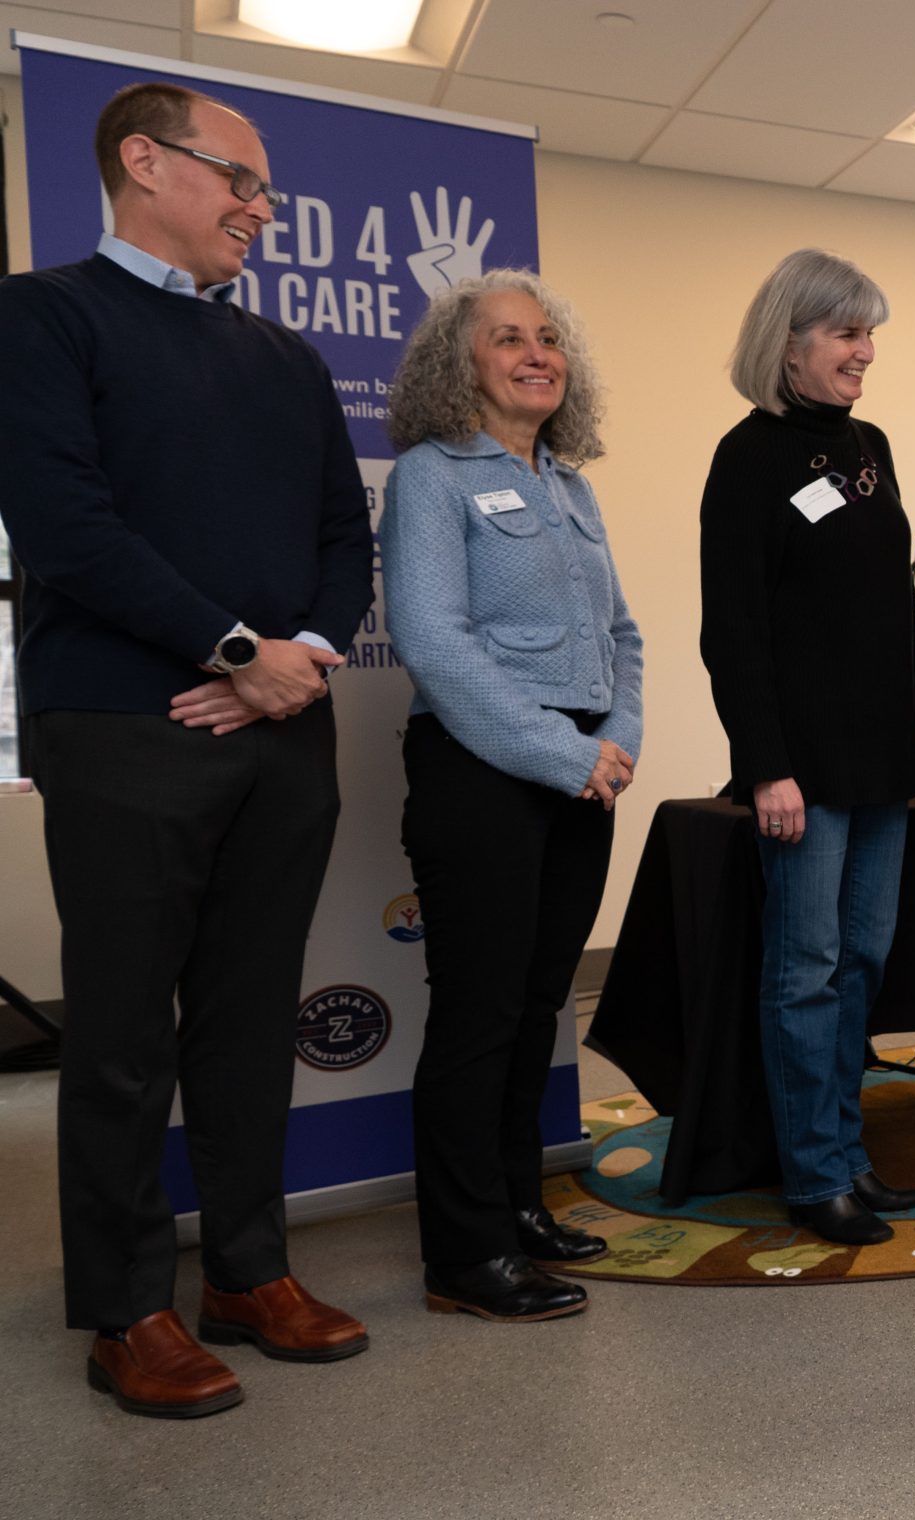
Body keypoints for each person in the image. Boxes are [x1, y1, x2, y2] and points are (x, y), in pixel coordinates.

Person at [0, 82, 372, 1416]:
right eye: (239, 181)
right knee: (117, 1033)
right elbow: (63, 522)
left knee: (244, 1017)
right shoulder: (42, 316)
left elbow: (346, 537)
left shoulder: (287, 361)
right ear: (142, 162)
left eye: (263, 191)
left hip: (285, 724)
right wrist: (232, 651)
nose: (260, 211)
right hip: (120, 721)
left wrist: (297, 661)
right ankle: (124, 1306)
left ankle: (248, 1274)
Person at [384, 270, 643, 1320]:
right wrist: (560, 751)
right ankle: (462, 1252)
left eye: (548, 339)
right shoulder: (430, 478)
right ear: (463, 364)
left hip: (583, 773)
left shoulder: (572, 486)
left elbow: (621, 634)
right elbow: (434, 639)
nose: (537, 354)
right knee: (480, 1015)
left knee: (539, 1006)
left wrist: (617, 739)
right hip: (480, 769)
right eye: (508, 340)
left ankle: (515, 1206)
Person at [699, 249, 915, 1247]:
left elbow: (894, 598)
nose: (865, 353)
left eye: (868, 333)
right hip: (803, 766)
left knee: (862, 961)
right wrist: (765, 762)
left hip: (885, 753)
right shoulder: (747, 456)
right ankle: (812, 1173)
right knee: (805, 966)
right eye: (847, 334)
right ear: (789, 342)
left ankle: (847, 1150)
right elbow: (733, 627)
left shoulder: (869, 444)